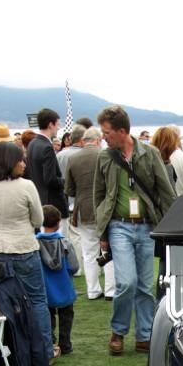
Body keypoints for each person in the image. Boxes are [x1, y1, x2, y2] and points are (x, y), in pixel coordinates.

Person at [94, 104, 176, 354]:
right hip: (119, 225)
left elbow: (165, 191)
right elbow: (99, 196)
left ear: (121, 131)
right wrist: (103, 234)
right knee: (126, 282)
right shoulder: (104, 156)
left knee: (145, 284)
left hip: (146, 225)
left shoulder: (149, 154)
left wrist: (172, 225)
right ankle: (118, 331)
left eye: (107, 132)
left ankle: (144, 334)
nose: (103, 137)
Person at [0, 140, 53, 361]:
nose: (24, 163)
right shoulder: (26, 186)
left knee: (4, 303)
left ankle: (9, 351)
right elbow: (38, 219)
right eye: (20, 159)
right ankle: (45, 351)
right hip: (24, 247)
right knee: (37, 300)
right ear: (10, 162)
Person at [65, 127, 114, 301]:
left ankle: (93, 290)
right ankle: (110, 289)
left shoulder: (73, 158)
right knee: (109, 248)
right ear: (99, 139)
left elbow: (69, 189)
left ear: (84, 140)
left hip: (83, 209)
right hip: (105, 208)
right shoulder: (106, 155)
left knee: (89, 251)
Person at [37, 204, 78, 357]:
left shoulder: (36, 244)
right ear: (59, 222)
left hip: (46, 287)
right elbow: (74, 266)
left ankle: (52, 342)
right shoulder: (65, 243)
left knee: (48, 316)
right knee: (66, 316)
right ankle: (65, 344)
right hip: (64, 286)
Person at [26, 108, 69, 221]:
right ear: (51, 124)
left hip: (39, 201)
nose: (59, 127)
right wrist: (65, 181)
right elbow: (50, 179)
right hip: (53, 205)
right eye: (57, 124)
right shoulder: (47, 147)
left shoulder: (32, 144)